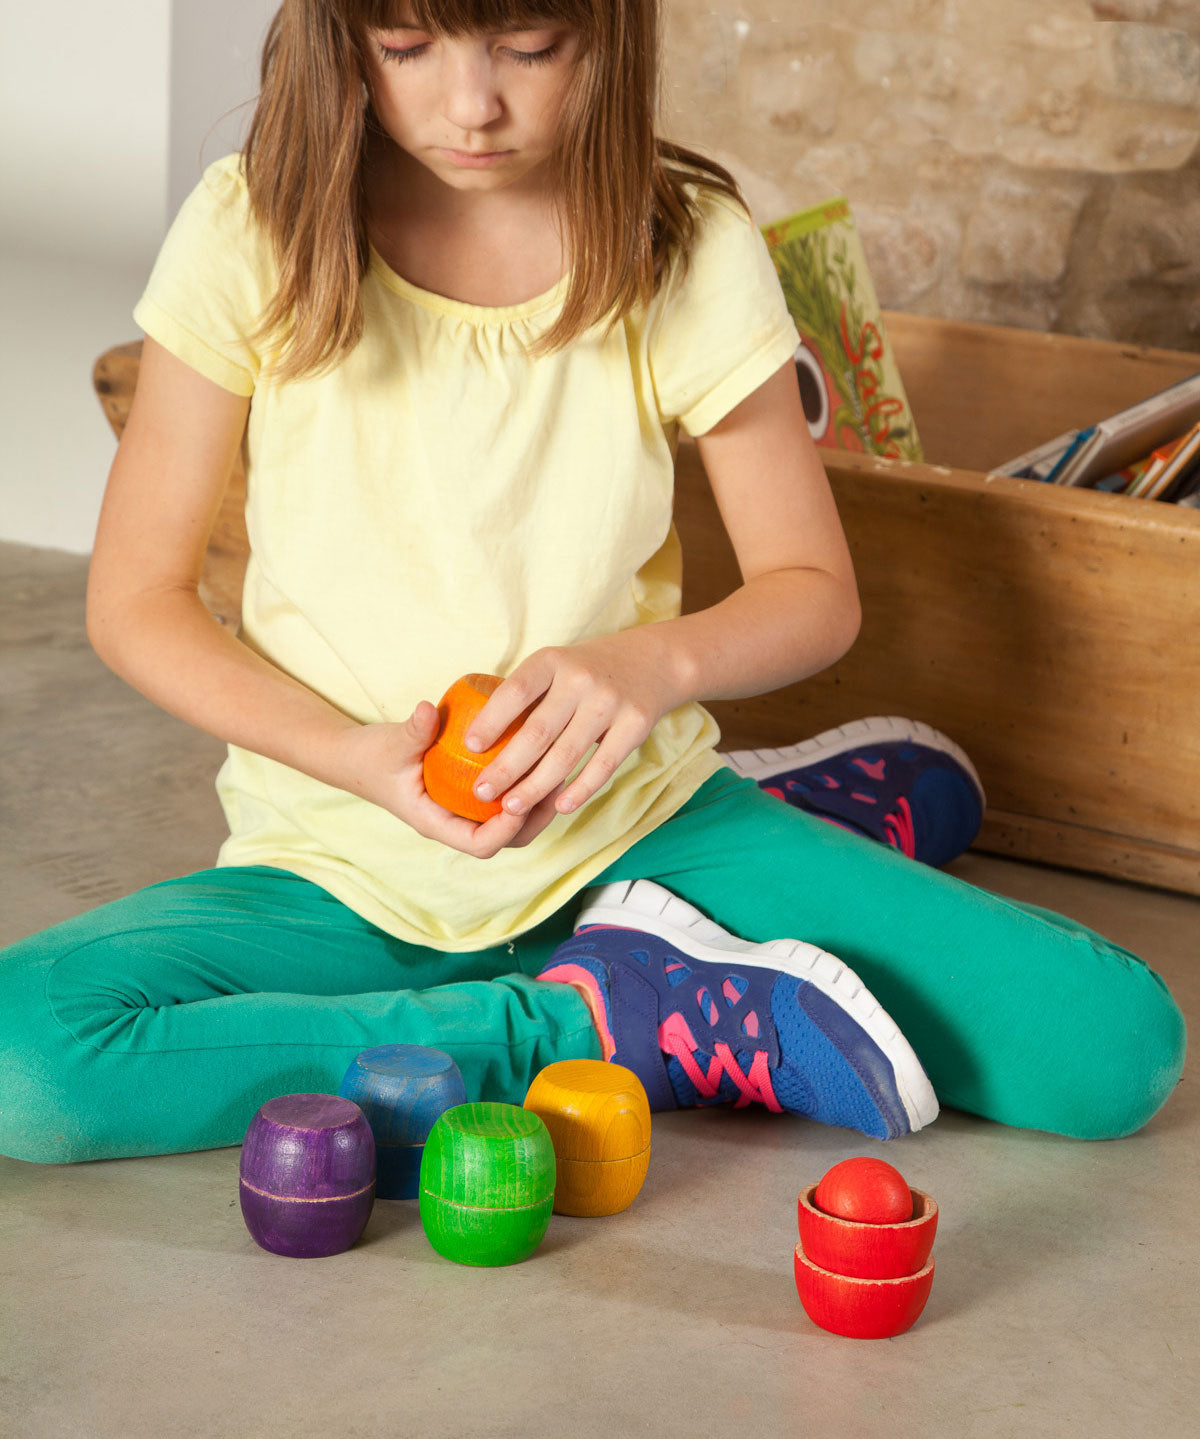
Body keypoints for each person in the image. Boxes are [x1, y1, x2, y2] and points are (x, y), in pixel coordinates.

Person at [0, 0, 1184, 1165]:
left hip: (637, 830)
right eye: (407, 46)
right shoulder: (249, 225)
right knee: (28, 1053)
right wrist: (351, 756)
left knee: (1110, 1047)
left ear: (611, 25)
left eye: (529, 45)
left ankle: (752, 844)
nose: (472, 104)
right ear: (338, 28)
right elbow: (135, 598)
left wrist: (648, 664)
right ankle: (603, 1022)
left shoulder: (684, 238)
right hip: (336, 865)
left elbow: (813, 584)